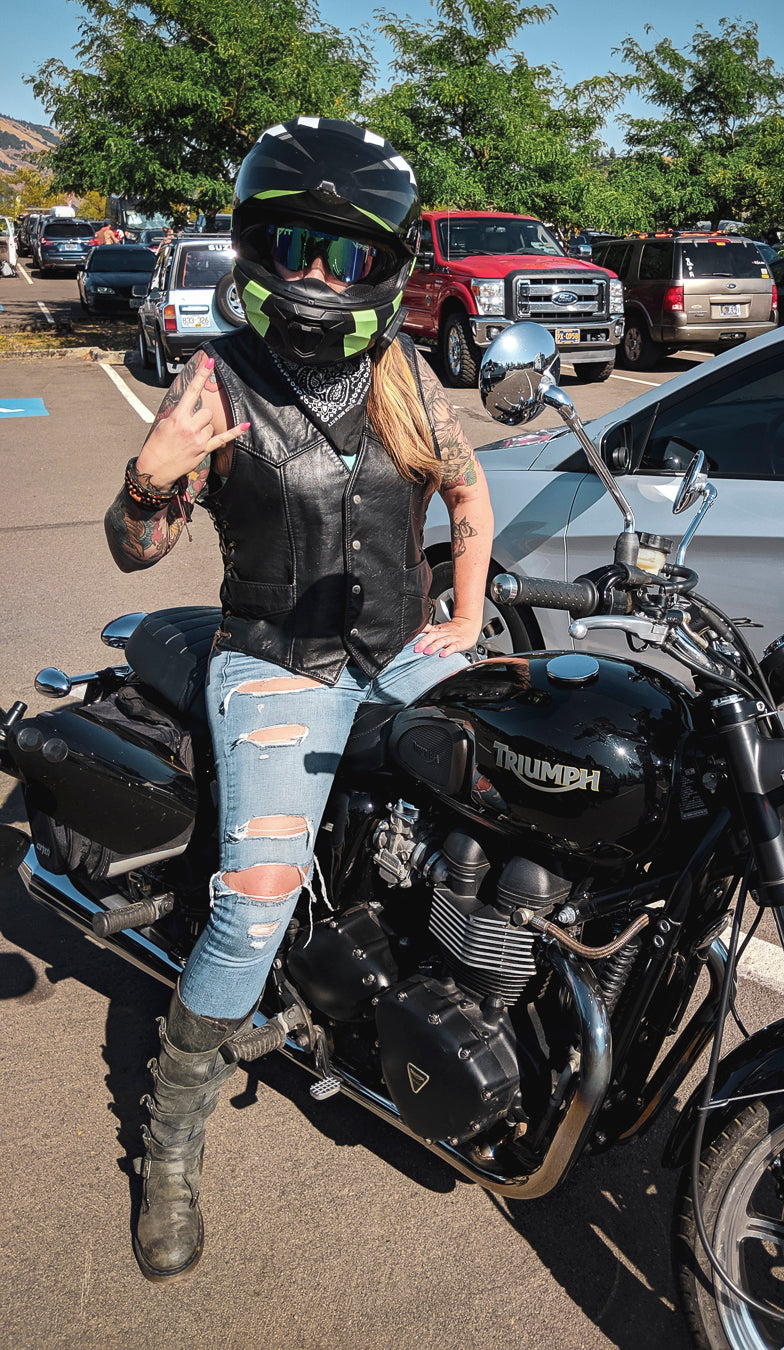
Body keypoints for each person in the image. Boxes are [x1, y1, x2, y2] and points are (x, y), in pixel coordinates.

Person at [103, 117, 495, 1283]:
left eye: (354, 256)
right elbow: (134, 549)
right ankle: (172, 1137)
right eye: (299, 247)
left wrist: (464, 620)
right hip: (274, 660)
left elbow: (468, 502)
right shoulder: (217, 380)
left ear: (389, 267)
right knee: (259, 892)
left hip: (397, 651)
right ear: (256, 246)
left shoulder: (403, 373)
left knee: (529, 772)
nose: (326, 277)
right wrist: (147, 477)